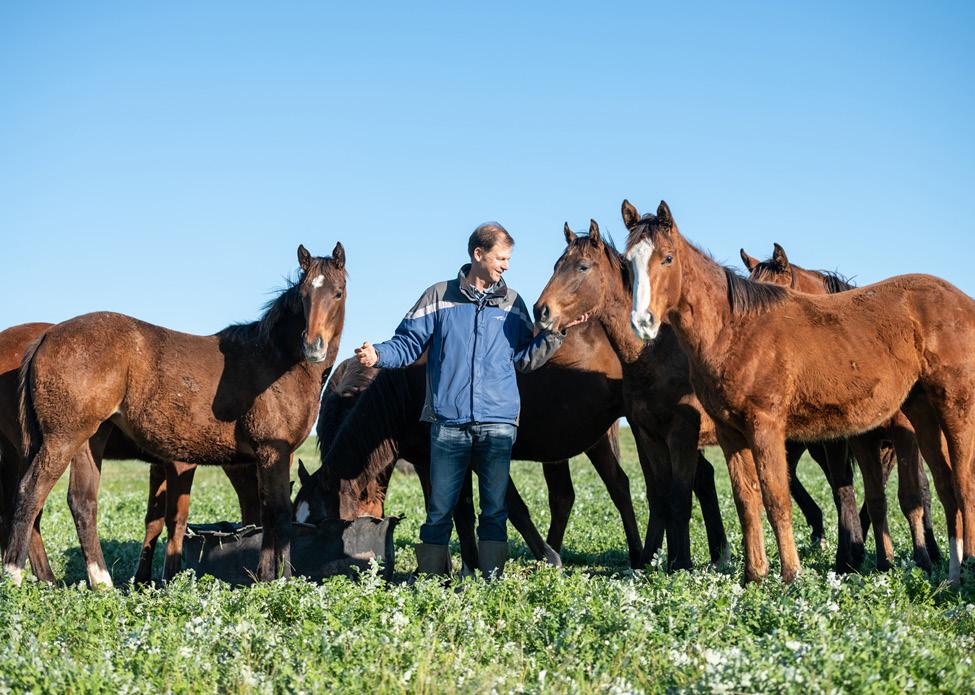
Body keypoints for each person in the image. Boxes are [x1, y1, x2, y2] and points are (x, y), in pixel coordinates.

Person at [355, 222, 585, 578]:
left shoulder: (512, 304)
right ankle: (432, 580)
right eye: (501, 257)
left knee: (494, 510)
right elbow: (408, 344)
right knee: (439, 510)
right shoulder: (438, 296)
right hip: (449, 422)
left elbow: (525, 358)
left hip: (498, 424)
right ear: (478, 254)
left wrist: (558, 332)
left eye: (508, 259)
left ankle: (490, 581)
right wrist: (378, 355)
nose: (506, 265)